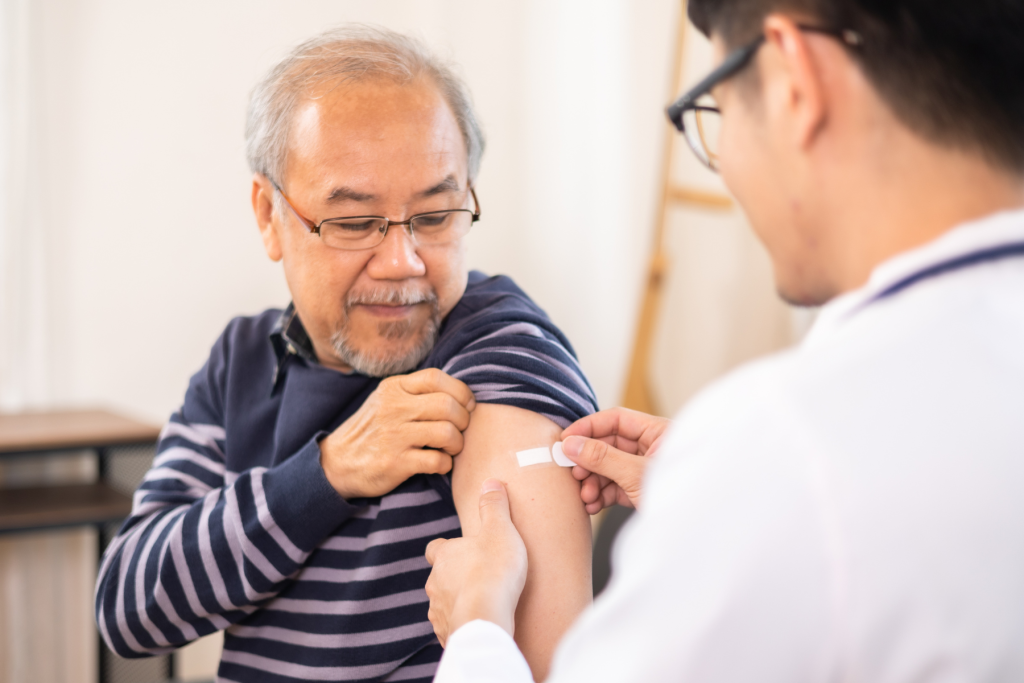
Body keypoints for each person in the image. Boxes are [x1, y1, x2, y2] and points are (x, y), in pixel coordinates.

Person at [423, 0, 1024, 680]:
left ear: (795, 79)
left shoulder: (783, 448)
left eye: (714, 111)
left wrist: (476, 626)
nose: (726, 162)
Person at [94, 25, 595, 683]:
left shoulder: (500, 347)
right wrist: (323, 474)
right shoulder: (243, 361)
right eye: (355, 223)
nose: (403, 261)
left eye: (437, 215)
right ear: (269, 215)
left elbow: (550, 663)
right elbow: (129, 608)